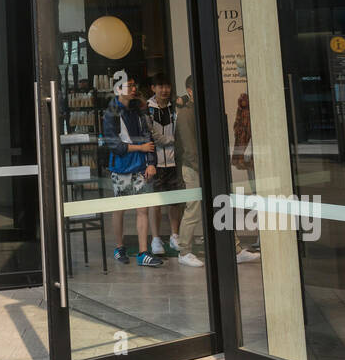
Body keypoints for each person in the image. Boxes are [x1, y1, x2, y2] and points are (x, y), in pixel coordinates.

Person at [174, 76, 258, 266]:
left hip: (209, 167)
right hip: (194, 168)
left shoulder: (207, 110)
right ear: (189, 91)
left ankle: (234, 249)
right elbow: (189, 148)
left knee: (222, 205)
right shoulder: (186, 114)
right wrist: (203, 170)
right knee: (193, 209)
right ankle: (184, 251)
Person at [103, 75, 161, 266]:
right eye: (129, 86)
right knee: (120, 208)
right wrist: (141, 149)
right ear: (118, 90)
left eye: (134, 85)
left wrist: (151, 162)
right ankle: (119, 247)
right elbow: (114, 146)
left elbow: (148, 136)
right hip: (121, 166)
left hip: (140, 165)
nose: (134, 89)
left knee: (142, 208)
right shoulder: (111, 112)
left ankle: (143, 252)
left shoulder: (139, 110)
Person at [146, 73, 183, 257]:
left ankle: (175, 235)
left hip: (174, 161)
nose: (164, 90)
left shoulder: (175, 107)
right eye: (160, 86)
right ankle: (155, 238)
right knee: (156, 203)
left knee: (174, 202)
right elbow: (152, 136)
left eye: (167, 86)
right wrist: (173, 140)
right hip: (156, 163)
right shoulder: (147, 109)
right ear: (153, 88)